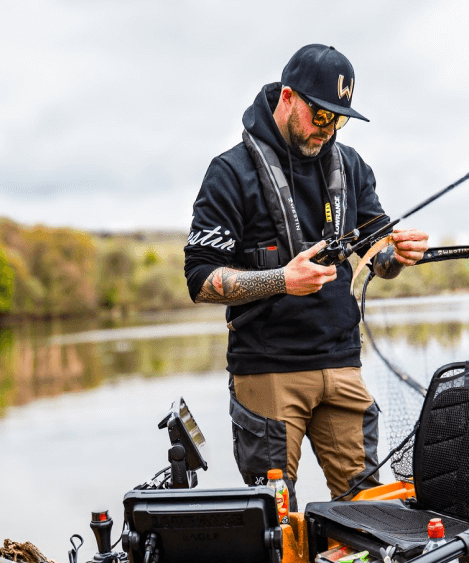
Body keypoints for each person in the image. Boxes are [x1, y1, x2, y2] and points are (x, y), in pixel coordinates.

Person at [183, 44, 429, 509]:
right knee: (274, 520)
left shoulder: (352, 166)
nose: (329, 129)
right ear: (288, 97)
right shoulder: (229, 172)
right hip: (268, 371)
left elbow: (377, 256)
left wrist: (398, 255)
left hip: (342, 364)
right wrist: (281, 279)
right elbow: (199, 279)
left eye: (339, 120)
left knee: (370, 510)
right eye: (321, 116)